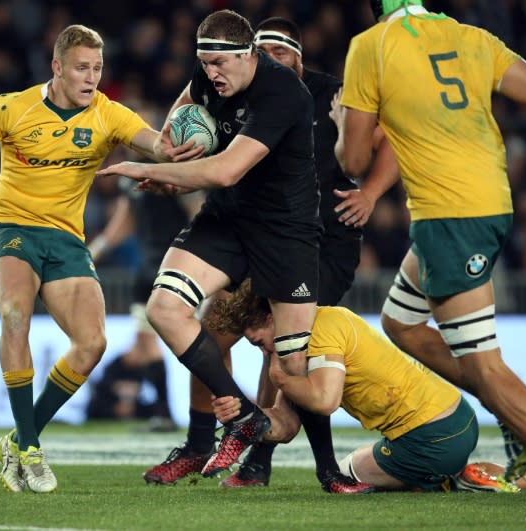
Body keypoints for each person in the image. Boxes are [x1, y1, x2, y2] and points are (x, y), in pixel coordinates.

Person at [0, 24, 200, 494]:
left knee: (91, 345)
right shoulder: (12, 108)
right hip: (13, 230)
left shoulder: (107, 114)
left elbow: (154, 142)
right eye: (82, 69)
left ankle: (18, 439)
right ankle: (30, 447)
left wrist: (180, 144)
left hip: (67, 240)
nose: (91, 78)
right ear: (57, 68)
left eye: (97, 68)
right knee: (14, 315)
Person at [334, 0, 526, 521]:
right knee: (401, 323)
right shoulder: (471, 38)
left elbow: (352, 162)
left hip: (448, 218)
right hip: (490, 203)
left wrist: (340, 118)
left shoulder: (369, 47)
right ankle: (509, 415)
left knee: (484, 365)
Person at [138, 16, 398, 493]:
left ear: (297, 60)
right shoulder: (220, 80)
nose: (274, 60)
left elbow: (391, 142)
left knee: (285, 355)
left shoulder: (320, 94)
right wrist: (165, 151)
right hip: (239, 222)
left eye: (283, 54)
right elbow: (179, 127)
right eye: (267, 50)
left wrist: (372, 194)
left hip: (312, 236)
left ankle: (296, 464)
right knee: (212, 334)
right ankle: (204, 445)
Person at [96, 9, 323, 478]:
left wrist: (148, 169)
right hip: (227, 219)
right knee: (163, 310)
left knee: (292, 366)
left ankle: (324, 468)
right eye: (204, 62)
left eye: (220, 63)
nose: (210, 73)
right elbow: (170, 130)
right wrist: (172, 153)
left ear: (249, 55)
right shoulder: (208, 77)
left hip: (285, 231)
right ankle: (240, 417)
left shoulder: (282, 91)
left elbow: (225, 170)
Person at [208, 279, 514, 493]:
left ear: (272, 318)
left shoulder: (320, 333)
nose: (264, 352)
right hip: (455, 418)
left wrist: (280, 379)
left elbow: (325, 401)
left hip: (430, 437)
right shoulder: (317, 328)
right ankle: (514, 478)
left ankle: (445, 478)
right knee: (435, 470)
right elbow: (285, 426)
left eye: (259, 342)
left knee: (349, 470)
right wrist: (242, 413)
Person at [87, 173, 205, 432]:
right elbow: (122, 225)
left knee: (205, 342)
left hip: (181, 266)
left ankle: (229, 407)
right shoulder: (129, 177)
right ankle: (164, 413)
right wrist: (89, 256)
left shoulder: (174, 169)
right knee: (145, 341)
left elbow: (198, 214)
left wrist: (206, 261)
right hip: (147, 270)